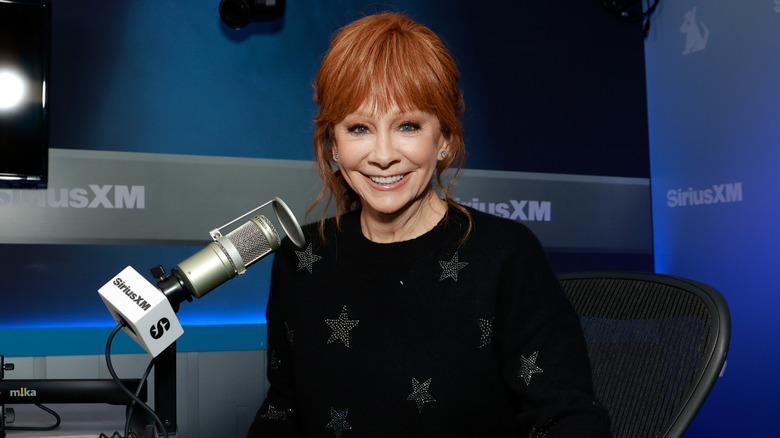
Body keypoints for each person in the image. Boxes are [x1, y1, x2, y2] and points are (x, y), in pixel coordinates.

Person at [247, 12, 610, 438]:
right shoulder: (300, 257)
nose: (383, 155)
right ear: (333, 144)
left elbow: (567, 418)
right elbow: (283, 409)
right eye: (359, 127)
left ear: (444, 140)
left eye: (408, 126)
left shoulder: (505, 256)